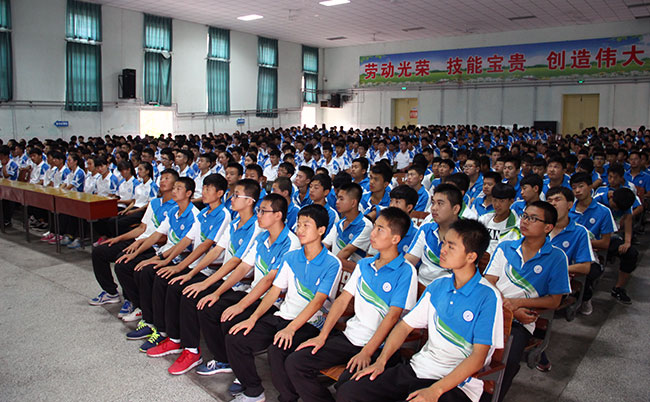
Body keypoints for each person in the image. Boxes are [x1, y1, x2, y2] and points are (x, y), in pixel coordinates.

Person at [337, 219, 502, 402]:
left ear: (471, 257)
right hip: (418, 369)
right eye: (444, 243)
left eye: (451, 246)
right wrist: (381, 362)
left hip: (455, 384)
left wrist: (435, 390)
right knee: (349, 392)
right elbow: (404, 326)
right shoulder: (438, 285)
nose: (442, 250)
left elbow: (478, 357)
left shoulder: (488, 296)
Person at [285, 207, 418, 402]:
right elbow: (342, 301)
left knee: (347, 385)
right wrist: (322, 336)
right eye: (374, 227)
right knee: (296, 362)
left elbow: (392, 317)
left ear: (395, 239)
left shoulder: (406, 271)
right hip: (350, 337)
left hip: (378, 347)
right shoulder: (365, 265)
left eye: (380, 229)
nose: (373, 233)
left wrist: (367, 352)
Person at [225, 204, 342, 402]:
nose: (300, 230)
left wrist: (291, 328)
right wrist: (253, 318)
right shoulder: (291, 257)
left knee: (277, 350)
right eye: (299, 224)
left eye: (306, 225)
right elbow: (274, 291)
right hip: (283, 316)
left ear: (321, 230)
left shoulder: (332, 263)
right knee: (236, 338)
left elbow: (318, 302)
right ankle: (253, 390)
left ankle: (288, 397)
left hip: (310, 323)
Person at [142, 174, 232, 374]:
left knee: (183, 291)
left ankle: (191, 351)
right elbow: (187, 240)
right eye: (204, 188)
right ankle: (170, 336)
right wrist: (167, 261)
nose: (204, 192)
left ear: (220, 193)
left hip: (211, 270)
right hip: (197, 266)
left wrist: (183, 269)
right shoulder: (204, 213)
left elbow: (207, 246)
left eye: (208, 189)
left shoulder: (224, 215)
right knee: (163, 278)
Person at [484, 201, 570, 401]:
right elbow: (488, 283)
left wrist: (519, 305)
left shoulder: (557, 257)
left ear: (548, 227)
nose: (525, 221)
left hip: (520, 323)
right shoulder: (506, 247)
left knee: (508, 361)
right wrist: (511, 307)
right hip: (491, 311)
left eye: (533, 218)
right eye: (524, 216)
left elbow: (554, 301)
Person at [89, 168, 177, 320]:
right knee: (100, 252)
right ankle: (111, 292)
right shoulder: (154, 203)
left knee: (122, 262)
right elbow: (142, 228)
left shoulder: (176, 207)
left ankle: (134, 301)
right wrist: (119, 238)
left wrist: (141, 243)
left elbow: (165, 238)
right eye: (161, 178)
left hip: (154, 246)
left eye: (167, 178)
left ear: (175, 184)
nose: (162, 181)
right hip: (139, 240)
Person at [569, 172, 614, 314]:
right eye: (574, 187)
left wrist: (581, 243)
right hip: (567, 251)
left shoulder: (604, 212)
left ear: (590, 187)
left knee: (590, 272)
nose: (577, 191)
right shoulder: (567, 210)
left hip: (590, 254)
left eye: (581, 186)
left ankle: (585, 297)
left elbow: (605, 243)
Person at [405, 184, 461, 286]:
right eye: (433, 203)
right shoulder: (426, 229)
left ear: (455, 209)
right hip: (421, 285)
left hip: (448, 289)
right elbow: (410, 260)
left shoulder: (465, 235)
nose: (434, 208)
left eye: (440, 203)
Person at [323, 183, 373, 271]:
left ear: (353, 203)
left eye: (341, 199)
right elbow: (324, 245)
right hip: (337, 268)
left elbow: (346, 251)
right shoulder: (339, 224)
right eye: (337, 198)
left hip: (352, 271)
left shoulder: (365, 225)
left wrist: (328, 268)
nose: (337, 202)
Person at [478, 183, 521, 255]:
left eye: (502, 201)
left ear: (511, 201)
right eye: (494, 200)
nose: (497, 205)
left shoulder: (516, 226)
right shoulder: (483, 219)